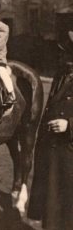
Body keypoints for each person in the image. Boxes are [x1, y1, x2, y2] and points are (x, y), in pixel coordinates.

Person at [27, 31, 73, 230]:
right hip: (51, 148)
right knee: (51, 202)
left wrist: (69, 125)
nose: (63, 57)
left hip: (68, 149)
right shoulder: (61, 75)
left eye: (67, 53)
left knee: (65, 204)